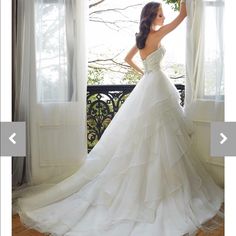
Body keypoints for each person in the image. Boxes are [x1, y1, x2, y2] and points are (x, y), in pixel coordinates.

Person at [16, 1, 224, 235]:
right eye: (159, 15)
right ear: (151, 17)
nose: (163, 18)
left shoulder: (141, 38)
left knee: (146, 136)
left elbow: (128, 58)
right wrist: (185, 5)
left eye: (162, 14)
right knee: (161, 134)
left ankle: (147, 185)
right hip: (156, 86)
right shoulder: (158, 35)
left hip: (148, 83)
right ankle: (160, 188)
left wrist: (144, 72)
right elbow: (182, 16)